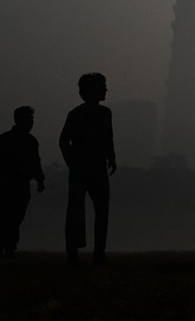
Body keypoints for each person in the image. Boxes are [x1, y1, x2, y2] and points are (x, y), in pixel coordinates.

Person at [59, 72, 116, 265]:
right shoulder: (77, 114)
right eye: (102, 87)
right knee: (77, 210)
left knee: (100, 210)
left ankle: (98, 252)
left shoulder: (104, 113)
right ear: (92, 91)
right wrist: (72, 162)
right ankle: (74, 253)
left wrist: (111, 156)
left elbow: (108, 138)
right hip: (83, 167)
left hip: (96, 166)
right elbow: (63, 140)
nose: (106, 90)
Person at [0, 106, 45, 258]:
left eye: (31, 119)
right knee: (6, 214)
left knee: (15, 215)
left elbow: (36, 162)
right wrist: (1, 173)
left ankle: (7, 246)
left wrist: (40, 179)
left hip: (20, 182)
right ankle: (2, 247)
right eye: (28, 119)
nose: (31, 122)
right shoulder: (9, 139)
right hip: (10, 182)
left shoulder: (28, 140)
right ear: (19, 120)